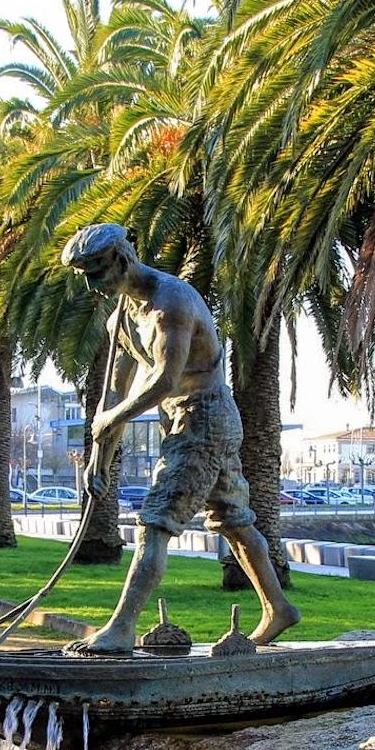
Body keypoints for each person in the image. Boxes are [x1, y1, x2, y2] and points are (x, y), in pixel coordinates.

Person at [61, 223, 299, 654]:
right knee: (233, 520)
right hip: (181, 421)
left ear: (122, 259)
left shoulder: (171, 302)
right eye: (85, 276)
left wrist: (112, 418)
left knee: (155, 523)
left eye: (97, 272)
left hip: (203, 418)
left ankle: (121, 628)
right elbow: (113, 393)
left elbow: (165, 379)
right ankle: (278, 607)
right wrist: (100, 457)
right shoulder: (122, 318)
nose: (92, 285)